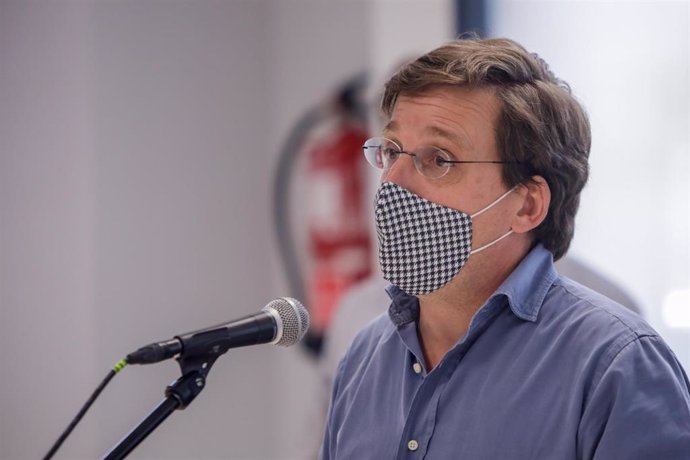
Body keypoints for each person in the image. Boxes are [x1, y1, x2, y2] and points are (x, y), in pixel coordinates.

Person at [319, 37, 690, 459]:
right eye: (391, 152)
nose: (392, 183)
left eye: (439, 159)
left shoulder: (614, 364)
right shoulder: (365, 357)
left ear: (527, 205)